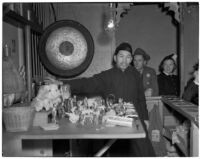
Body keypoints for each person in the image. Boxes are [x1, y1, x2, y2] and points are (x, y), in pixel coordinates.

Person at [45, 42, 155, 157]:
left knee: (142, 152)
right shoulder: (107, 76)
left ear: (131, 59)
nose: (124, 60)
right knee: (117, 152)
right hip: (115, 121)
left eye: (128, 57)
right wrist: (63, 83)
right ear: (115, 58)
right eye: (121, 56)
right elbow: (87, 83)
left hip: (135, 121)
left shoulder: (136, 74)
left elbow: (141, 98)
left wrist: (146, 118)